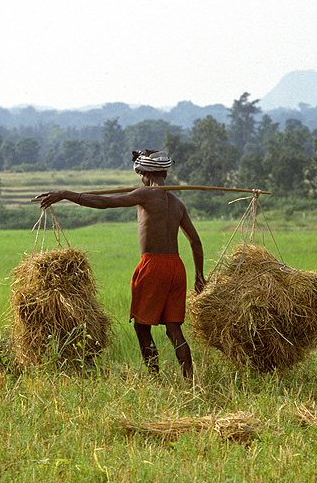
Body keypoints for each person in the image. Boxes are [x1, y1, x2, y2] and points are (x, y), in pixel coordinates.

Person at [36, 149, 205, 379]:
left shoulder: (145, 194)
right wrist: (199, 276)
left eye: (140, 173)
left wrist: (66, 194)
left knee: (141, 327)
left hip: (153, 266)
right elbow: (195, 241)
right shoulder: (177, 203)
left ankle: (155, 378)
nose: (140, 178)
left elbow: (104, 203)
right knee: (174, 329)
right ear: (164, 172)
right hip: (176, 267)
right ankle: (190, 381)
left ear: (145, 172)